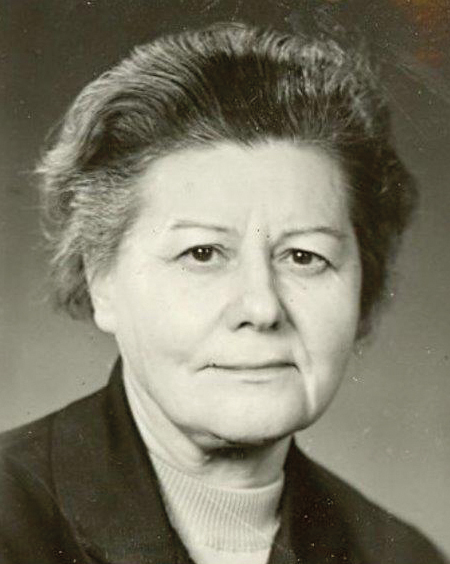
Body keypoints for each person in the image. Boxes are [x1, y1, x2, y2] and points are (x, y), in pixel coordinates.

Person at [0, 21, 447, 564]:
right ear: (101, 279)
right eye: (203, 253)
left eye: (303, 257)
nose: (262, 308)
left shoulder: (400, 556)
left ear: (363, 288)